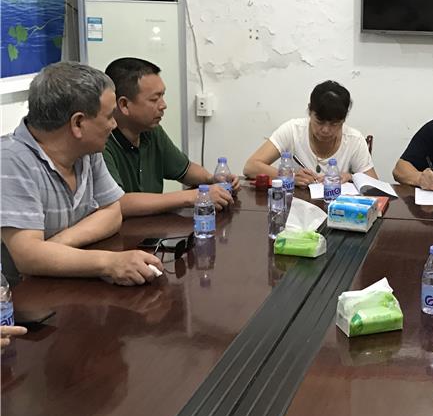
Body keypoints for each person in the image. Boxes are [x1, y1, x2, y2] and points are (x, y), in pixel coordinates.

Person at [0, 62, 162, 287]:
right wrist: (109, 263)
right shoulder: (10, 160)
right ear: (78, 123)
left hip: (67, 285)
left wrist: (57, 244)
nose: (114, 125)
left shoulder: (87, 150)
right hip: (21, 299)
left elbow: (112, 212)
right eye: (109, 116)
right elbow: (28, 257)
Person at [103, 57, 237, 217]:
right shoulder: (101, 142)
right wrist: (193, 196)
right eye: (154, 99)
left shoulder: (151, 132)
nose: (163, 105)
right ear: (124, 105)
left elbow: (185, 170)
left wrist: (212, 179)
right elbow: (118, 204)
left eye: (162, 96)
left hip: (151, 227)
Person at [244, 80, 378, 185]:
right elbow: (250, 167)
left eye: (334, 124)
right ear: (309, 111)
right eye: (319, 121)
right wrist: (289, 176)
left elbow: (374, 185)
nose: (325, 130)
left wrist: (350, 177)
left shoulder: (354, 139)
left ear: (344, 120)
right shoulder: (292, 130)